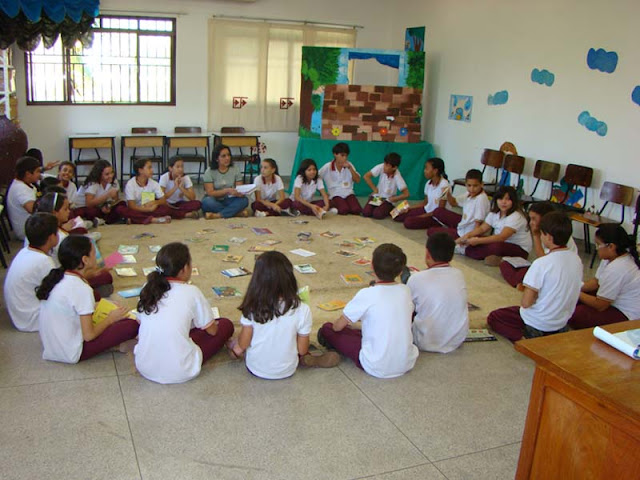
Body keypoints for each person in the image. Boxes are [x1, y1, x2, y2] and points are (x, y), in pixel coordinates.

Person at [228, 251, 340, 379]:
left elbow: (244, 343)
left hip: (256, 368)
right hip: (288, 369)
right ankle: (309, 360)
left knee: (241, 338)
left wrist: (237, 349)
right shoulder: (303, 309)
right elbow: (302, 350)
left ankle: (236, 350)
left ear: (257, 281)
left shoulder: (252, 306)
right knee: (294, 344)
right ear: (290, 279)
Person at [135, 243, 234, 384]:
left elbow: (140, 321)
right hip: (181, 370)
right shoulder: (192, 291)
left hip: (145, 366)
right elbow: (212, 332)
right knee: (225, 324)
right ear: (184, 269)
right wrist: (213, 324)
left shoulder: (147, 288)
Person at [317, 244, 418, 378]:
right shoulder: (406, 290)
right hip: (406, 362)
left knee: (327, 329)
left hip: (376, 365)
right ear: (400, 272)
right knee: (363, 330)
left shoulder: (366, 294)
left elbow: (337, 327)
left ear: (372, 266)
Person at [36, 235, 139, 363]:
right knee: (131, 325)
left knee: (111, 311)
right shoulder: (81, 288)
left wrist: (100, 306)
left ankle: (117, 343)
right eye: (94, 255)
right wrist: (111, 318)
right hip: (72, 352)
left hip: (54, 347)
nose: (97, 258)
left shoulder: (60, 276)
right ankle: (115, 345)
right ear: (85, 260)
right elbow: (89, 336)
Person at [487, 212, 583, 341]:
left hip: (537, 323)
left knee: (495, 317)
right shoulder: (576, 260)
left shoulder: (541, 263)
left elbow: (526, 303)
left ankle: (523, 340)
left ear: (548, 237)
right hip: (560, 322)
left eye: (542, 234)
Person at [34, 192, 113, 298]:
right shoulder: (57, 241)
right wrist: (96, 272)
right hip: (62, 283)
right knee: (105, 279)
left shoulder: (45, 231)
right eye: (65, 209)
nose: (69, 212)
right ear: (54, 213)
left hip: (63, 277)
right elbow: (71, 272)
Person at [568, 224, 640, 329]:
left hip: (627, 315)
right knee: (572, 300)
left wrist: (575, 291)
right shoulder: (611, 257)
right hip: (612, 301)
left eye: (598, 245)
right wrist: (576, 286)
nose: (596, 248)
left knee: (577, 314)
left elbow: (601, 305)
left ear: (611, 246)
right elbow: (596, 282)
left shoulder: (618, 268)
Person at [407, 232, 469, 353]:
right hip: (457, 339)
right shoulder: (459, 274)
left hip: (424, 341)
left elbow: (407, 308)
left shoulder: (416, 278)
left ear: (427, 253)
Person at [499, 202, 578, 288]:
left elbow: (544, 261)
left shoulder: (554, 234)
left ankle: (521, 283)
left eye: (534, 219)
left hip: (556, 274)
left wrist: (535, 236)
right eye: (530, 219)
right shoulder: (543, 232)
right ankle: (520, 282)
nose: (531, 223)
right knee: (505, 264)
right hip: (547, 268)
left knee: (531, 271)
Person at [4, 213, 58, 332]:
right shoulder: (44, 261)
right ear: (51, 238)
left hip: (21, 315)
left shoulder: (25, 251)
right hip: (32, 318)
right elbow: (58, 293)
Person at [456, 186, 532, 264]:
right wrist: (467, 236)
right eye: (500, 199)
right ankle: (500, 258)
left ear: (513, 201)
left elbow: (501, 237)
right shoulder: (494, 213)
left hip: (519, 249)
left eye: (508, 199)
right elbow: (482, 229)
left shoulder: (516, 216)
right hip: (502, 243)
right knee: (478, 237)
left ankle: (466, 250)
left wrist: (478, 241)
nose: (503, 202)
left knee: (495, 247)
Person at [427, 169, 490, 241]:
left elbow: (478, 225)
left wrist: (471, 239)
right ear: (465, 184)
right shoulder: (468, 194)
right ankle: (450, 229)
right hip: (463, 224)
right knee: (438, 211)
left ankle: (451, 232)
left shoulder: (481, 199)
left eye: (475, 186)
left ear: (481, 184)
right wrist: (447, 193)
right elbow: (453, 203)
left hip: (466, 233)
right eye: (469, 185)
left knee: (431, 231)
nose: (472, 189)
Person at [123, 158, 187, 224]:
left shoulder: (154, 183)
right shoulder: (130, 184)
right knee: (121, 210)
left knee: (165, 209)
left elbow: (163, 200)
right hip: (137, 209)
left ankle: (136, 219)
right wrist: (147, 209)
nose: (152, 170)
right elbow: (131, 206)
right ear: (140, 170)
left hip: (152, 208)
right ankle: (153, 220)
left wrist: (155, 202)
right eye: (149, 168)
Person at [394, 157, 449, 229]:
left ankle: (436, 225)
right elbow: (425, 203)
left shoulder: (445, 186)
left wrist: (420, 217)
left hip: (436, 216)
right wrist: (409, 208)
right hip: (427, 210)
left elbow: (440, 210)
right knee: (396, 214)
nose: (424, 171)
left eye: (427, 168)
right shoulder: (428, 183)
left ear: (435, 171)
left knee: (409, 222)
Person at [201, 144, 249, 219]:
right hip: (214, 199)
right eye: (223, 156)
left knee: (244, 200)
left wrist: (239, 193)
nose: (227, 158)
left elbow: (240, 189)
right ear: (217, 159)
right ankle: (235, 213)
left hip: (229, 199)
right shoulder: (209, 172)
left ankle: (218, 215)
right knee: (206, 202)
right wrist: (226, 191)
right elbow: (210, 193)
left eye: (228, 155)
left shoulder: (235, 169)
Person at [318, 142, 362, 215]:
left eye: (346, 156)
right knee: (344, 210)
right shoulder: (327, 166)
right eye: (342, 155)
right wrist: (323, 192)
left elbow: (357, 180)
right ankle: (333, 206)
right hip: (335, 194)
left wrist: (350, 168)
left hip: (349, 193)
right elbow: (317, 177)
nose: (344, 158)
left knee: (357, 210)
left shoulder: (349, 165)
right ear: (335, 154)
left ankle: (339, 206)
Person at [362, 152, 409, 219]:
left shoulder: (397, 176)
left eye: (387, 165)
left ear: (394, 167)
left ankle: (390, 208)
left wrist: (395, 198)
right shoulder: (381, 167)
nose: (384, 166)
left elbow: (406, 194)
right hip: (378, 197)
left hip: (388, 200)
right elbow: (366, 176)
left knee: (377, 214)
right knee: (366, 212)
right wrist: (374, 189)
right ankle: (380, 206)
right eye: (384, 163)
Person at [7, 155, 41, 240]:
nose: (39, 175)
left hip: (30, 224)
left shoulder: (23, 183)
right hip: (26, 231)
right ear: (28, 174)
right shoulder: (21, 189)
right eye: (37, 172)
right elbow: (33, 209)